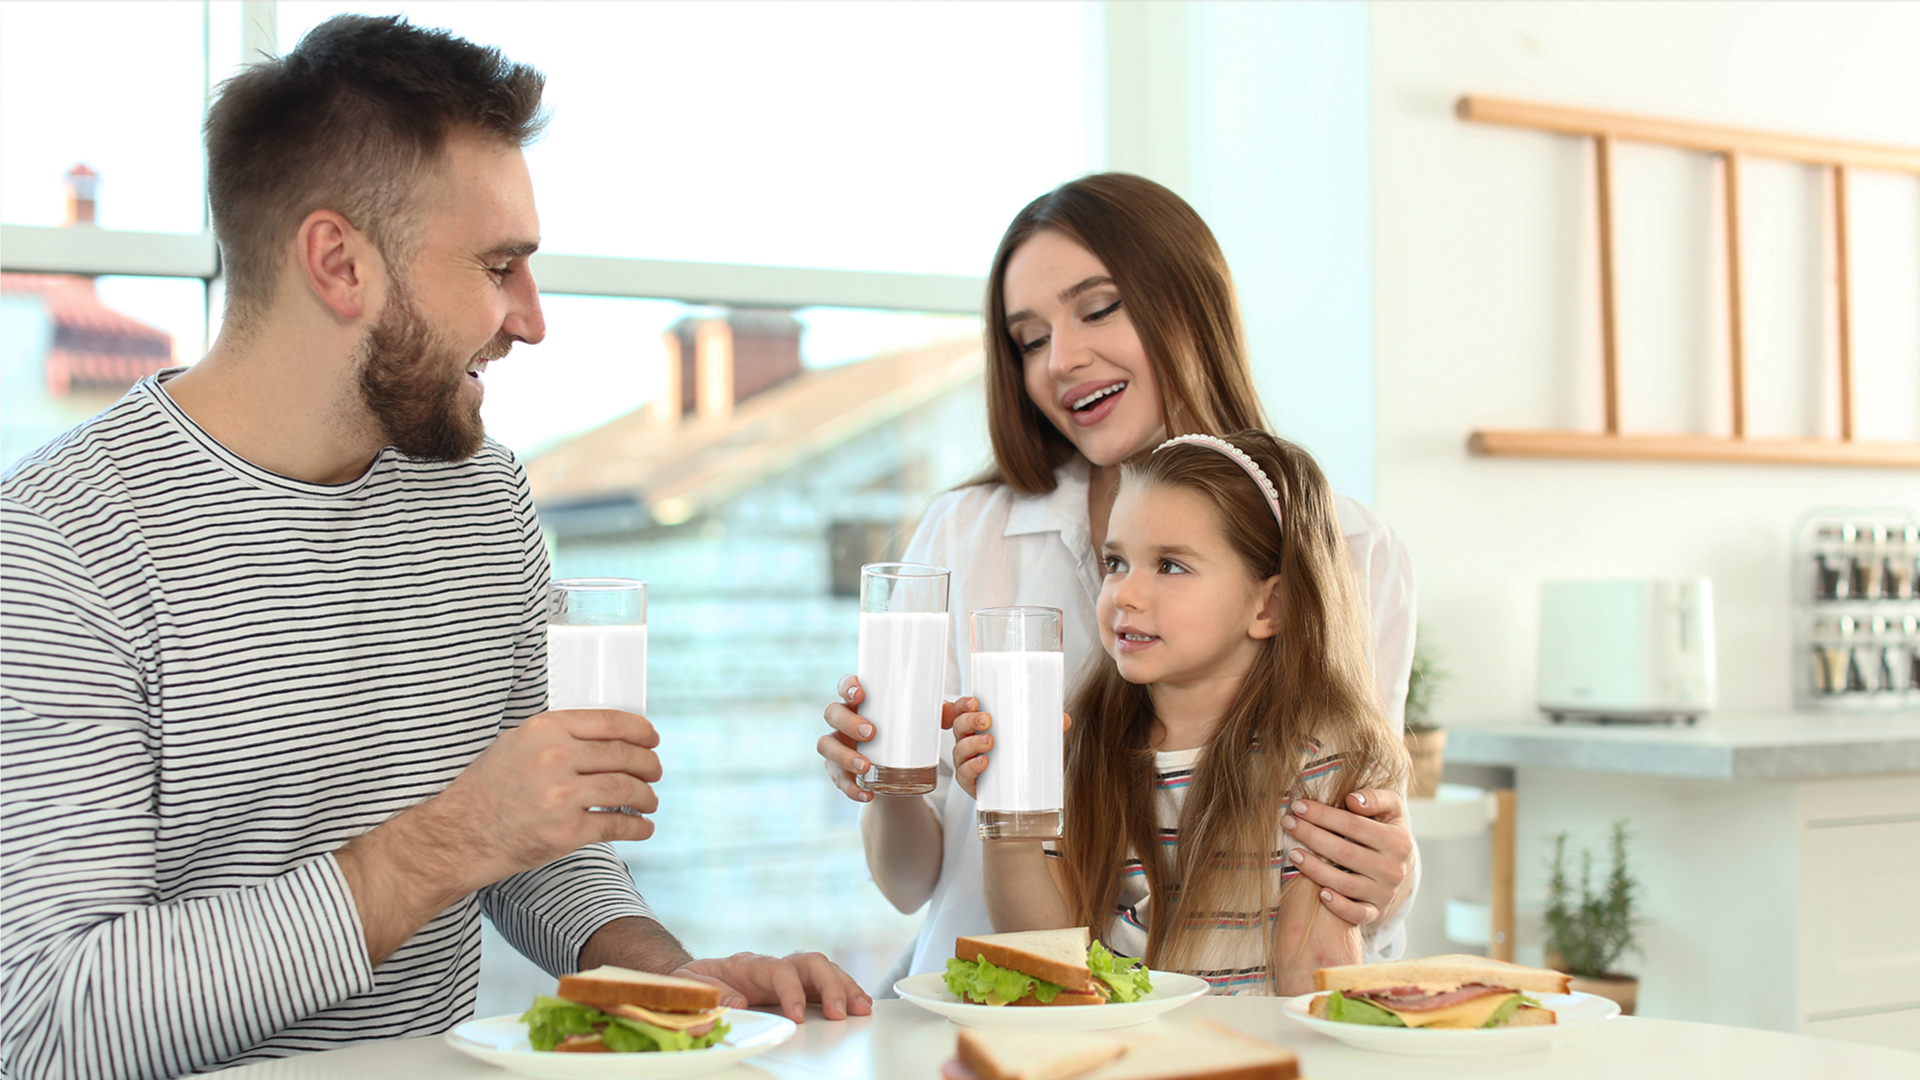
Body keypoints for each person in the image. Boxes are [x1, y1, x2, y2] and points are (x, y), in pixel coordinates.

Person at [0, 16, 865, 1079]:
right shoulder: (58, 547)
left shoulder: (480, 494)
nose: (533, 320)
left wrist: (660, 979)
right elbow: (45, 1022)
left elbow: (528, 853)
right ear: (338, 263)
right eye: (499, 265)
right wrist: (445, 840)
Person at [817, 173, 1420, 982]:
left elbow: (1353, 837)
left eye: (1098, 308)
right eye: (1029, 339)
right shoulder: (967, 533)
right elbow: (907, 884)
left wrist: (1389, 874)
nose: (1063, 360)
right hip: (993, 1013)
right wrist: (887, 778)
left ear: (1190, 305)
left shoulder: (1347, 547)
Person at [954, 431, 1410, 995]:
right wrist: (1010, 823)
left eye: (1169, 566)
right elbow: (1046, 949)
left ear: (1270, 605)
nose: (1124, 593)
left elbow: (1314, 965)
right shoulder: (1082, 742)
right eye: (1116, 562)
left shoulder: (1318, 755)